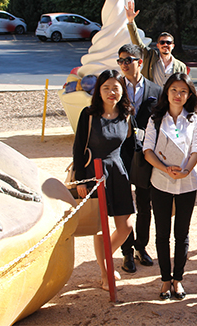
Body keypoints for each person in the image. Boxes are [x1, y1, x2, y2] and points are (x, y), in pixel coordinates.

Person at [73, 69, 135, 291]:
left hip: (118, 173)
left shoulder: (127, 114)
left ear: (122, 91)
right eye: (106, 87)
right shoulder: (88, 114)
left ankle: (104, 257)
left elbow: (130, 147)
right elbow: (78, 147)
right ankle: (104, 272)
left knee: (125, 227)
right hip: (94, 173)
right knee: (100, 227)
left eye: (115, 88)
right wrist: (81, 180)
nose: (111, 92)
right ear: (98, 90)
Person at [143, 72, 197, 301]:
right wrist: (164, 168)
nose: (178, 95)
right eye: (174, 90)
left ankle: (178, 279)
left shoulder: (194, 120)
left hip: (187, 183)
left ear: (189, 95)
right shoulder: (155, 119)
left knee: (182, 234)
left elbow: (196, 148)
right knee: (162, 234)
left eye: (183, 91)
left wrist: (186, 170)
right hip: (160, 181)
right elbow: (147, 150)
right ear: (166, 92)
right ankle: (164, 280)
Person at [117, 44, 163, 274]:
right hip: (120, 155)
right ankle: (126, 252)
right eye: (121, 61)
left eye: (129, 60)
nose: (124, 64)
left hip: (146, 154)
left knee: (145, 205)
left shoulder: (156, 89)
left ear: (140, 62)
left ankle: (140, 247)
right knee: (125, 206)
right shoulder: (113, 88)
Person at [125, 1, 188, 87]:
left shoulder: (181, 66)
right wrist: (131, 22)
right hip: (153, 99)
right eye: (162, 42)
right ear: (158, 45)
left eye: (168, 42)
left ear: (172, 46)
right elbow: (138, 43)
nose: (165, 44)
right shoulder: (150, 57)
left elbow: (184, 86)